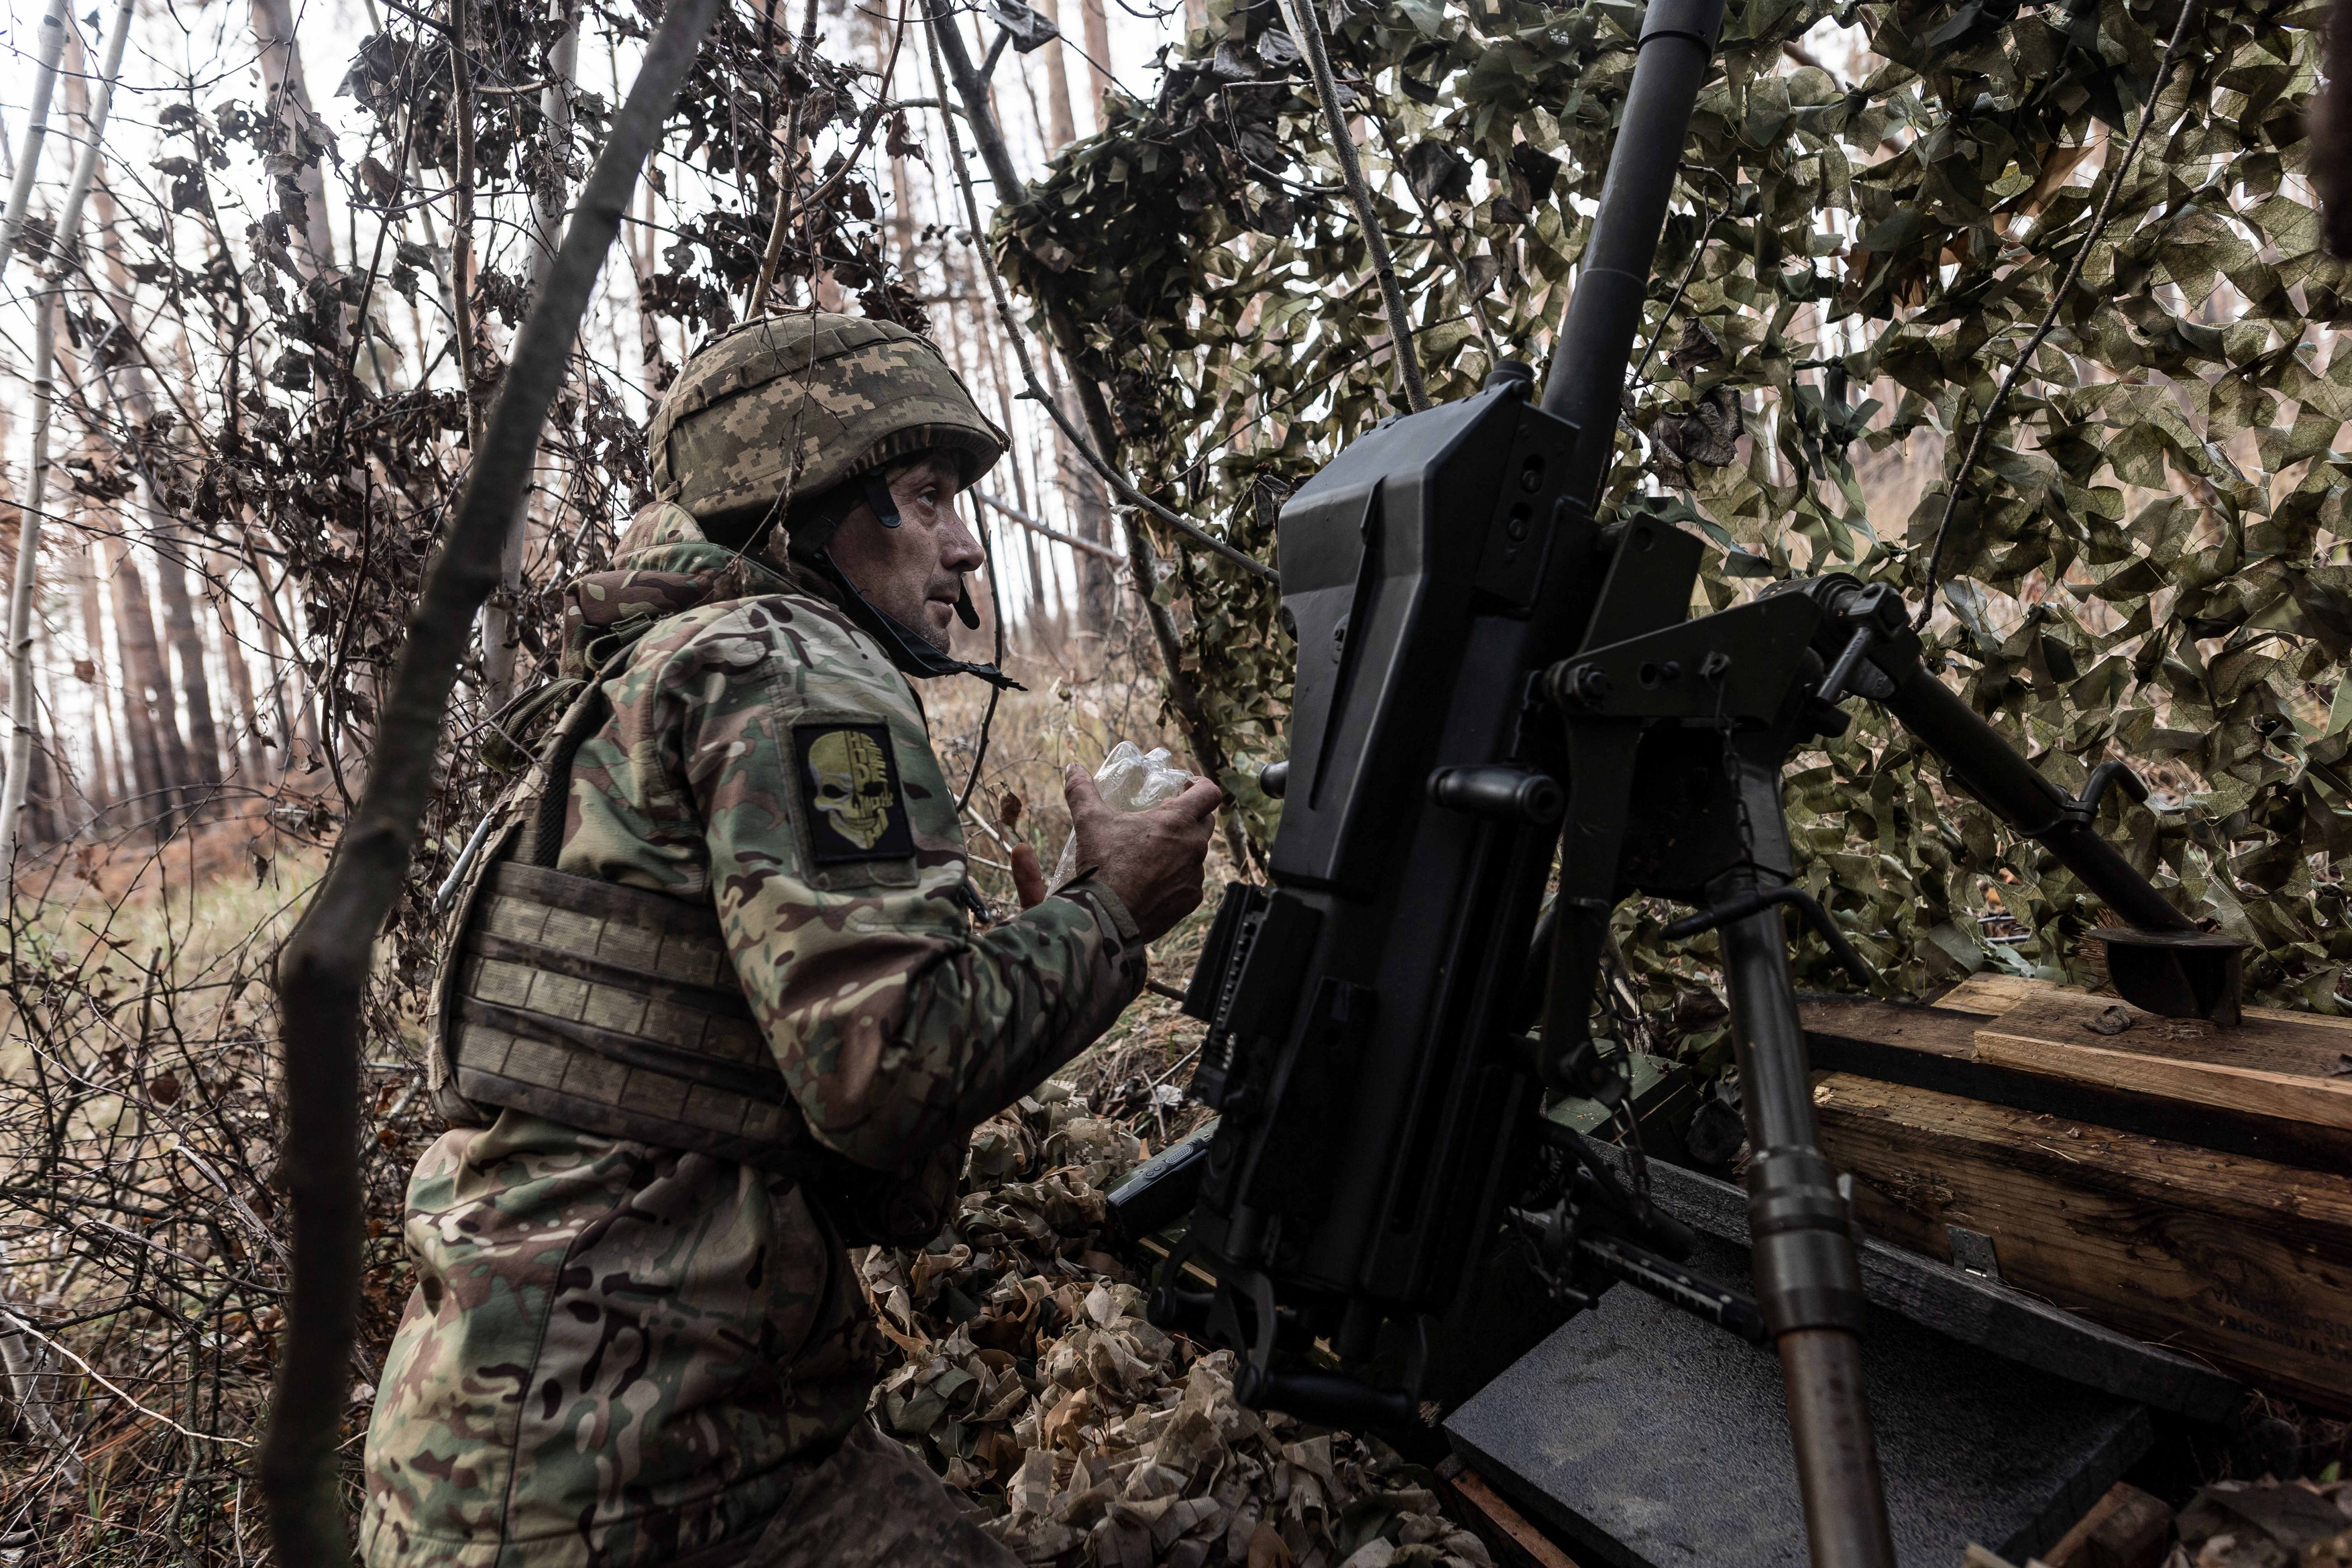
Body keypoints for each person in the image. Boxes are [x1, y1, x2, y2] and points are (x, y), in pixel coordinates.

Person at [359, 313, 1222, 1568]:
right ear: (812, 502)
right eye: (925, 496)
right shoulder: (790, 667)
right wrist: (1107, 918)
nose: (964, 543)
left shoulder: (657, 673)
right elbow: (882, 1078)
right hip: (637, 1470)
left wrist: (1035, 947)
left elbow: (801, 1116)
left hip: (508, 1452)